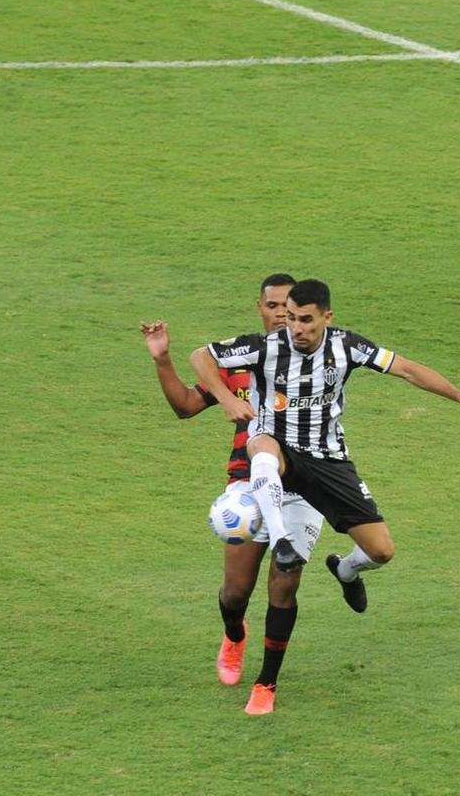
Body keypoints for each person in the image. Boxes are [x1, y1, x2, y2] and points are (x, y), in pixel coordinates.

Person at [190, 278, 460, 631]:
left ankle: (346, 570)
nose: (295, 328)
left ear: (327, 317)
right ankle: (281, 539)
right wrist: (227, 399)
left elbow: (408, 369)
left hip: (327, 458)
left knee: (381, 551)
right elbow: (201, 356)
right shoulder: (264, 347)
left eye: (305, 319)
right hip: (278, 449)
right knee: (261, 445)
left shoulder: (348, 347)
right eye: (290, 318)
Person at [140, 274, 324, 716]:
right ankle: (235, 634)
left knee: (285, 581)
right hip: (248, 485)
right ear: (260, 310)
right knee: (235, 592)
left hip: (304, 486)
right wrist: (163, 359)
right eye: (273, 306)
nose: (282, 313)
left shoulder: (321, 359)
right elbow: (186, 406)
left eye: (289, 306)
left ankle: (267, 684)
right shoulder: (241, 362)